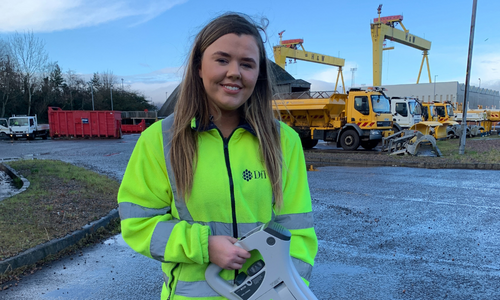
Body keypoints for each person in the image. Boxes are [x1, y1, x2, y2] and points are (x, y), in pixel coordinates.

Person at [117, 12, 317, 300]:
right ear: (199, 67)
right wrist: (203, 246)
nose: (234, 72)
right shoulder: (160, 140)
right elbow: (138, 224)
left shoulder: (284, 141)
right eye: (222, 60)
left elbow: (297, 232)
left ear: (258, 74)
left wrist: (284, 291)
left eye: (247, 64)